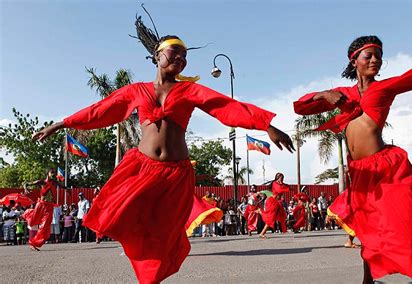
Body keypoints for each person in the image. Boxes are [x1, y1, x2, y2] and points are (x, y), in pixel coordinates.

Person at [31, 9, 293, 283]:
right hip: (141, 170)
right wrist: (61, 124)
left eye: (184, 56)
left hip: (175, 175)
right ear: (157, 56)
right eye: (174, 52)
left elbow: (226, 107)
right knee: (125, 220)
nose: (180, 59)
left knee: (165, 235)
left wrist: (266, 125)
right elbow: (101, 110)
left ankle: (152, 278)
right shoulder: (136, 91)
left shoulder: (190, 91)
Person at [293, 35, 412, 283]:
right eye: (369, 56)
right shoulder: (343, 94)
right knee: (367, 226)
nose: (375, 60)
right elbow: (300, 107)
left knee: (399, 220)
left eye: (379, 56)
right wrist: (324, 95)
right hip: (360, 170)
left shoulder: (385, 87)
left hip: (383, 164)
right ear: (354, 62)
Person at [22, 168, 63, 251]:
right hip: (41, 205)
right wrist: (26, 188)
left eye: (54, 173)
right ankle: (28, 213)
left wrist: (68, 190)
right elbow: (26, 184)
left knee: (45, 225)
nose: (53, 174)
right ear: (47, 173)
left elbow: (63, 186)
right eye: (52, 172)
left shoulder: (54, 182)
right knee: (33, 221)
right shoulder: (42, 182)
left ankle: (35, 243)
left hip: (49, 206)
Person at [259, 173, 289, 239]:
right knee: (271, 218)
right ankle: (262, 232)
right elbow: (279, 190)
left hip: (277, 203)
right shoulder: (275, 183)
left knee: (281, 216)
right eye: (281, 178)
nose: (282, 179)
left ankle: (262, 233)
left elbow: (284, 188)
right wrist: (284, 186)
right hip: (272, 202)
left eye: (283, 178)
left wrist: (286, 186)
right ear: (278, 177)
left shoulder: (280, 184)